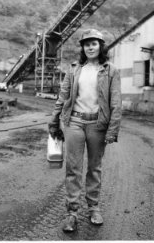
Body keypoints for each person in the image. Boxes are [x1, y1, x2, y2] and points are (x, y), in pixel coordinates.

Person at [48, 29, 121, 232]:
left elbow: (116, 102)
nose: (90, 47)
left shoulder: (111, 70)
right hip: (75, 122)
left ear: (100, 46)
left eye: (94, 43)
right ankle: (71, 212)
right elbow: (63, 96)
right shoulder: (74, 69)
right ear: (82, 47)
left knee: (94, 168)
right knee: (73, 168)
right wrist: (54, 119)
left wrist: (112, 130)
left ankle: (93, 207)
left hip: (98, 125)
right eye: (86, 44)